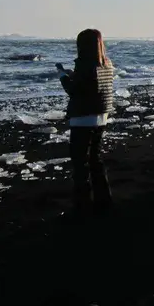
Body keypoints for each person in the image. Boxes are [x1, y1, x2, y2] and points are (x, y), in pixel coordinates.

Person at [58, 29, 115, 215]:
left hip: (83, 118)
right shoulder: (106, 64)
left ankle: (82, 206)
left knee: (80, 164)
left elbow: (74, 91)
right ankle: (104, 201)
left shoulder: (85, 65)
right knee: (95, 161)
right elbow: (92, 86)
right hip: (101, 116)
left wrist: (62, 76)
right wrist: (73, 75)